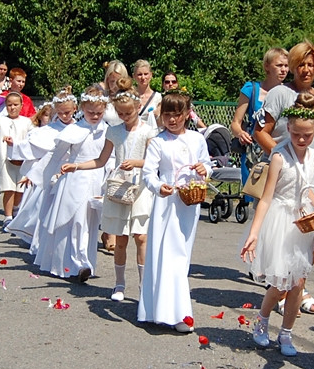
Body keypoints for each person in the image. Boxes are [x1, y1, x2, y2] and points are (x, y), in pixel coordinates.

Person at [254, 41, 314, 315]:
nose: (306, 70)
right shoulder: (280, 94)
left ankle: (296, 282)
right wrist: (284, 156)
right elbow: (262, 131)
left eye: (311, 65)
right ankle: (285, 287)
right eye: (301, 65)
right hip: (286, 175)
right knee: (289, 234)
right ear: (293, 67)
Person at [240, 93, 314, 355]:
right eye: (297, 134)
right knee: (279, 284)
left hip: (304, 222)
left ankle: (287, 334)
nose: (302, 140)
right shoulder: (279, 156)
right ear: (288, 128)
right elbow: (266, 198)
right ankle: (262, 321)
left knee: (298, 282)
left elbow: (307, 189)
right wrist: (254, 233)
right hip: (281, 220)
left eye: (308, 135)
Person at [62, 78, 155, 301]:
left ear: (137, 109)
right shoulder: (113, 132)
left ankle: (143, 286)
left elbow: (153, 161)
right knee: (120, 238)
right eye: (120, 114)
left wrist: (137, 163)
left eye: (128, 114)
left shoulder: (148, 132)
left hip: (140, 186)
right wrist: (77, 166)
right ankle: (119, 284)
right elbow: (101, 160)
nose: (124, 118)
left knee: (141, 237)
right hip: (119, 187)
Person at [138, 90, 210, 332]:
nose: (172, 120)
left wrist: (204, 169)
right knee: (166, 255)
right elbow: (148, 173)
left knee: (182, 256)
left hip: (190, 201)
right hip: (166, 203)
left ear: (186, 115)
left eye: (177, 115)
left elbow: (208, 165)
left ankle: (173, 310)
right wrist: (159, 186)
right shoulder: (158, 142)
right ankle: (174, 313)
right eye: (167, 115)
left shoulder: (197, 139)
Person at [35, 86, 109, 280]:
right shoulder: (74, 130)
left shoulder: (107, 130)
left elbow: (110, 157)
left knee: (89, 221)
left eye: (99, 113)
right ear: (82, 108)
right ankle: (73, 264)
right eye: (90, 112)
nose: (95, 116)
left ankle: (85, 263)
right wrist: (47, 176)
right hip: (74, 180)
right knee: (74, 221)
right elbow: (56, 156)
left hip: (96, 179)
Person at [8, 92, 78, 249]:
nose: (64, 116)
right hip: (50, 175)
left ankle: (63, 244)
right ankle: (41, 243)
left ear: (75, 108)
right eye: (60, 113)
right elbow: (42, 153)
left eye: (67, 112)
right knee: (44, 209)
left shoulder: (80, 128)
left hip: (73, 176)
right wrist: (15, 146)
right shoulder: (48, 130)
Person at [231, 48, 289, 194]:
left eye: (286, 66)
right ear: (267, 66)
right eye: (279, 65)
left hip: (281, 149)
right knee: (257, 194)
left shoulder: (289, 92)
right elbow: (236, 123)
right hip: (255, 152)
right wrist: (240, 133)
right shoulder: (252, 89)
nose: (283, 70)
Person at [0, 92, 33, 228]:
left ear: (21, 106)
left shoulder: (26, 122)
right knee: (8, 188)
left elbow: (33, 136)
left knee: (20, 189)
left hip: (22, 159)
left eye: (16, 105)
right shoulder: (1, 119)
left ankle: (16, 212)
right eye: (9, 105)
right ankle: (8, 216)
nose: (12, 108)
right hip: (5, 159)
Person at [131, 59, 161, 129]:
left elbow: (161, 124)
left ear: (151, 75)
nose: (143, 77)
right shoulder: (130, 96)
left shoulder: (158, 97)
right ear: (134, 76)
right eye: (139, 74)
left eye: (146, 74)